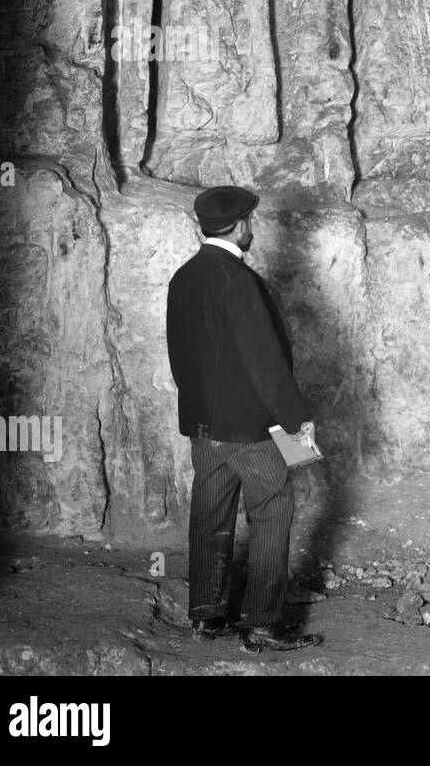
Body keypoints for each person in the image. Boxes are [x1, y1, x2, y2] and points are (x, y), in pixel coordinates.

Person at [166, 185, 322, 653]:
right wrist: (297, 419)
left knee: (210, 513)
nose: (252, 228)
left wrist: (199, 409)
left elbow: (181, 357)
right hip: (246, 429)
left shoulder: (184, 277)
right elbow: (265, 362)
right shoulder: (239, 281)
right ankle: (262, 623)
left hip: (202, 425)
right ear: (241, 225)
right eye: (250, 221)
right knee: (272, 510)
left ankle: (207, 615)